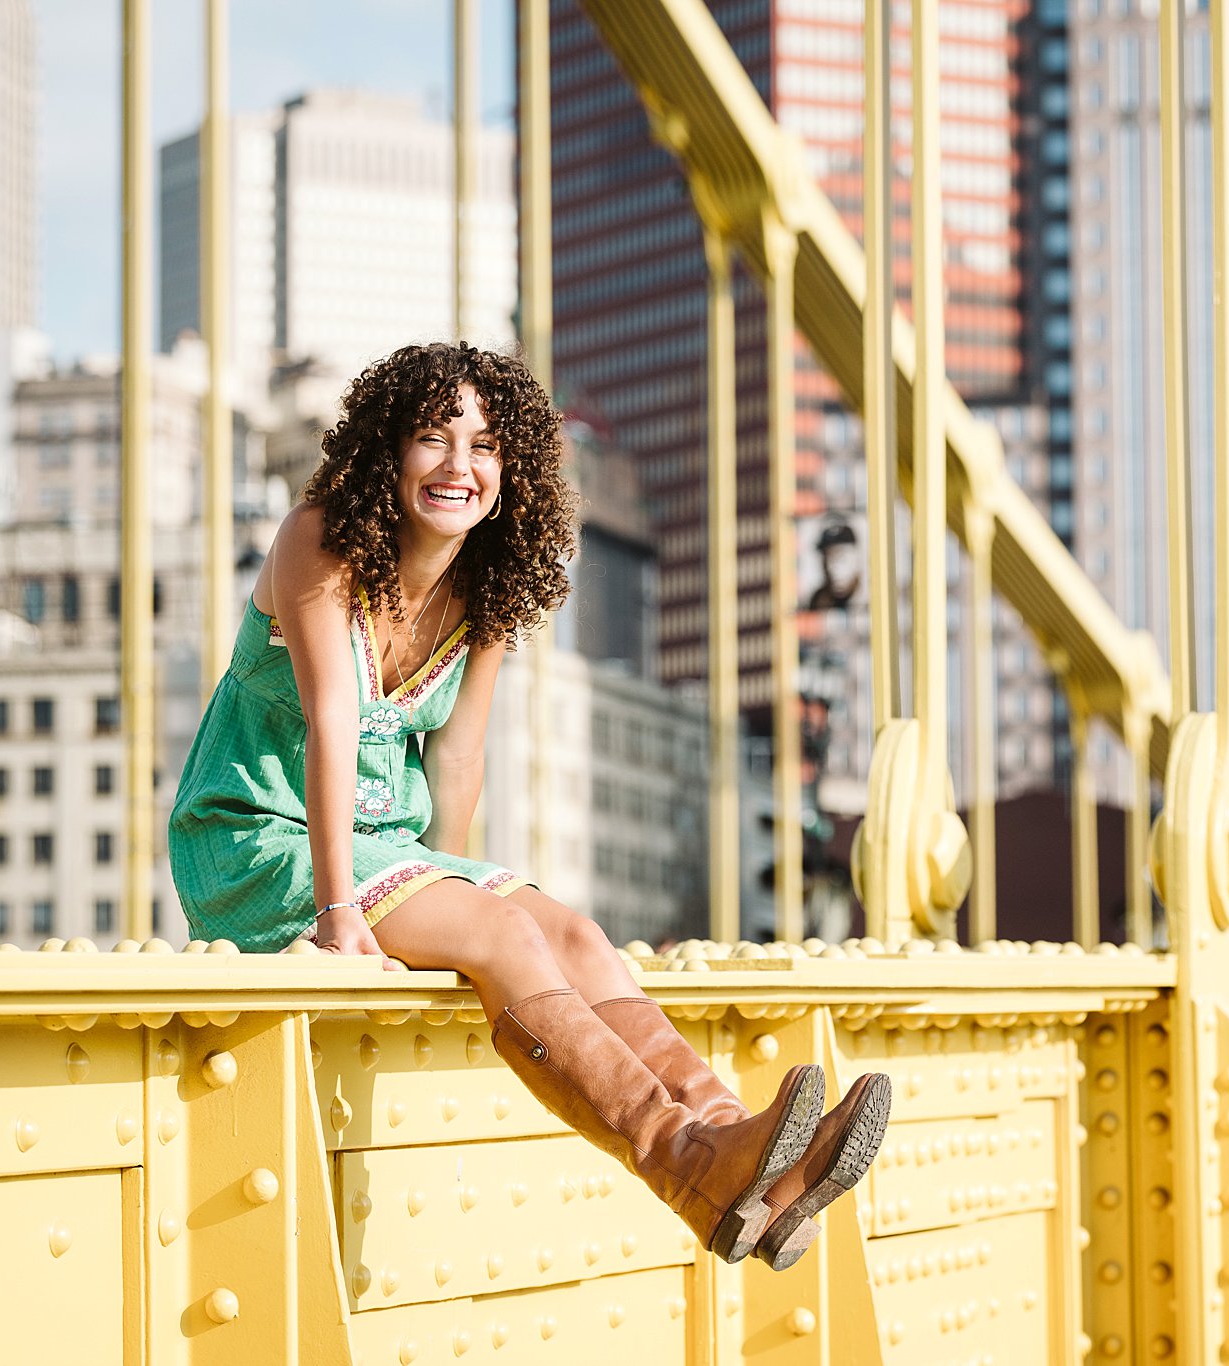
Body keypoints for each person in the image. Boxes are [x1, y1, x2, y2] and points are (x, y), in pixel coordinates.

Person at [168, 342, 886, 1269]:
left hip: (382, 844)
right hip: (261, 836)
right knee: (503, 936)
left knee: (577, 935)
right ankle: (683, 1163)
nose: (458, 467)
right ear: (386, 453)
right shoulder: (321, 539)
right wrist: (359, 914)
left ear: (511, 474)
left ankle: (745, 1156)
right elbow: (330, 715)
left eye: (484, 447)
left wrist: (452, 907)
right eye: (432, 439)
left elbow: (458, 756)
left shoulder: (486, 585)